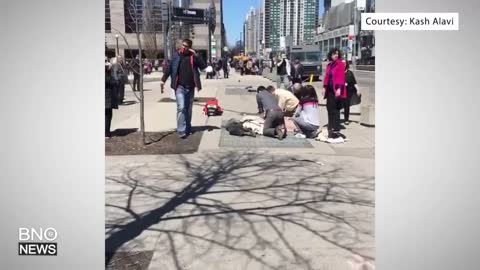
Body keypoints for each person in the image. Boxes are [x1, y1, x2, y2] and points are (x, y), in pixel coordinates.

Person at [160, 38, 207, 139]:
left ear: (190, 48)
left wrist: (195, 54)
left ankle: (188, 128)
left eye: (186, 46)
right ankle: (181, 130)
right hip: (179, 87)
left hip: (190, 87)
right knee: (181, 108)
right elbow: (169, 68)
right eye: (183, 45)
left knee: (188, 109)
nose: (184, 47)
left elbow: (203, 66)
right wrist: (163, 80)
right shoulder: (176, 55)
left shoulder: (192, 57)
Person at [322, 48, 346, 139]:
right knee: (329, 108)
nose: (335, 55)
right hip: (329, 90)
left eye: (337, 54)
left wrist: (339, 89)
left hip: (337, 90)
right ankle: (330, 126)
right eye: (333, 54)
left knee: (335, 109)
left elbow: (341, 77)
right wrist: (324, 88)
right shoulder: (329, 65)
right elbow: (327, 77)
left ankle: (336, 128)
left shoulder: (340, 64)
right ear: (330, 55)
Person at [343, 60, 361, 125]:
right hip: (340, 91)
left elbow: (354, 82)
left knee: (346, 105)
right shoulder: (338, 72)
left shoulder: (350, 73)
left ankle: (346, 119)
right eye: (342, 63)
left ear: (346, 64)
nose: (343, 64)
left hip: (348, 91)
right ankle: (336, 119)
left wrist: (358, 89)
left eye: (344, 63)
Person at [105, 60, 118, 138]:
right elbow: (112, 81)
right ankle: (106, 133)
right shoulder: (106, 74)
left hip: (107, 97)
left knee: (108, 115)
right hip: (106, 97)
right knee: (107, 115)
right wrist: (110, 70)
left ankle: (106, 131)